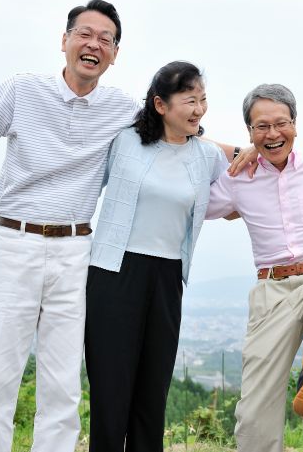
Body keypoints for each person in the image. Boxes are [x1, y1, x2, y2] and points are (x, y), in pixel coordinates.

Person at [0, 0, 140, 452]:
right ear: (64, 41)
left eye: (106, 39)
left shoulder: (122, 108)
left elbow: (179, 131)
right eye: (85, 33)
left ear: (115, 54)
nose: (93, 44)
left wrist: (248, 154)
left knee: (62, 383)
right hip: (13, 241)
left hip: (76, 249)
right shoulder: (22, 90)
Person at [84, 61, 227, 451]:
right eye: (189, 100)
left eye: (203, 100)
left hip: (168, 276)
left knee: (153, 389)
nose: (198, 109)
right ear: (160, 105)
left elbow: (239, 178)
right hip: (114, 271)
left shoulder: (207, 156)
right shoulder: (125, 140)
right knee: (111, 387)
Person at [206, 83, 303, 452]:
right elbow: (196, 203)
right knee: (254, 409)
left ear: (295, 124)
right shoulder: (237, 179)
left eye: (281, 123)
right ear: (250, 133)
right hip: (273, 288)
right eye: (261, 127)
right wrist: (234, 153)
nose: (273, 134)